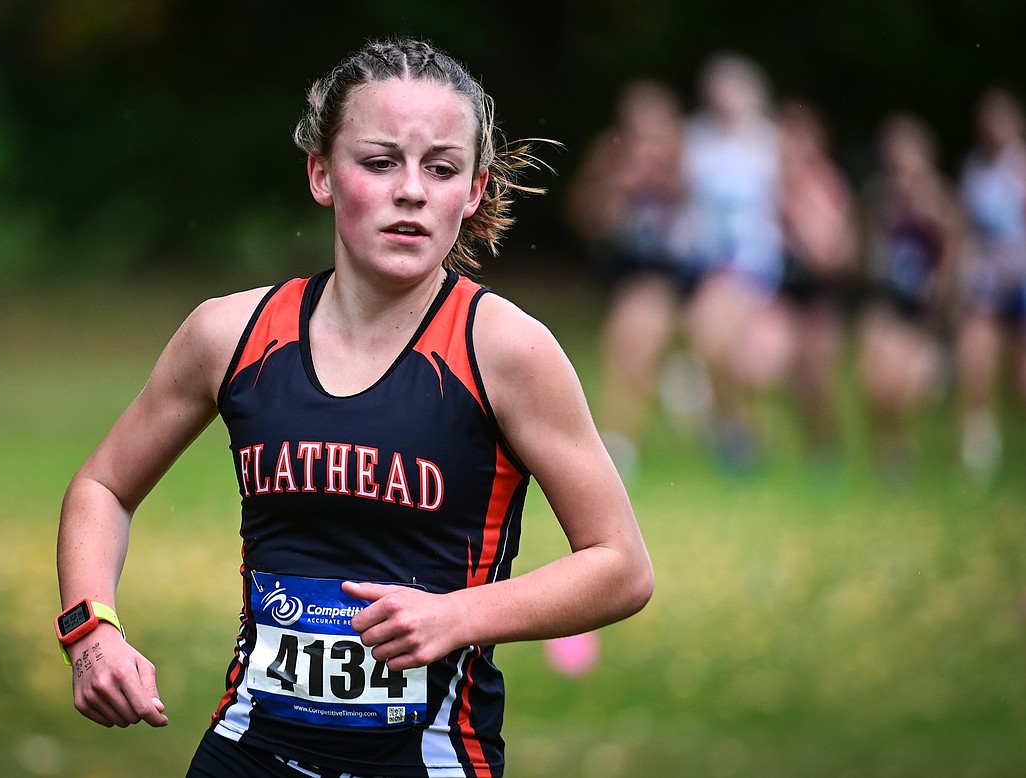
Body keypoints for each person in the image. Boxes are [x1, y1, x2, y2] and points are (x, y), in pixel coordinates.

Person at [55, 38, 653, 778]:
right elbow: (101, 487)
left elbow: (621, 565)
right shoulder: (229, 335)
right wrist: (91, 631)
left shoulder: (506, 350)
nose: (411, 191)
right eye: (379, 162)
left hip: (425, 761)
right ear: (321, 174)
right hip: (250, 752)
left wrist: (456, 616)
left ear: (472, 190)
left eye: (440, 168)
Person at [563, 80, 692, 477]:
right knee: (630, 338)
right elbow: (583, 219)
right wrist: (613, 187)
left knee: (628, 335)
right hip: (626, 271)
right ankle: (675, 378)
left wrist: (667, 184)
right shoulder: (612, 156)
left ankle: (617, 441)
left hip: (677, 273)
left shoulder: (690, 161)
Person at [673, 52, 792, 471]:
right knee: (711, 343)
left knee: (731, 348)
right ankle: (737, 428)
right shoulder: (695, 140)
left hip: (755, 263)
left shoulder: (770, 143)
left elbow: (787, 203)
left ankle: (734, 427)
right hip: (708, 262)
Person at [856, 114, 963, 481]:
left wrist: (941, 300)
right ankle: (889, 454)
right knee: (875, 381)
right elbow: (869, 254)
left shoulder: (938, 198)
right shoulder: (880, 196)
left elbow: (952, 254)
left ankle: (905, 447)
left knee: (907, 387)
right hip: (888, 298)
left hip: (923, 308)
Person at [775, 99, 859, 460]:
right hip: (780, 293)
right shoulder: (769, 181)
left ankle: (827, 445)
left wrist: (813, 240)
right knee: (767, 368)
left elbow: (841, 251)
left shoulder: (827, 184)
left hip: (819, 296)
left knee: (817, 382)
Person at [955, 87, 1026, 482]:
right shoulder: (975, 169)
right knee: (975, 362)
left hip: (1023, 278)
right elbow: (966, 228)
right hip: (986, 281)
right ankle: (977, 452)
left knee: (1020, 382)